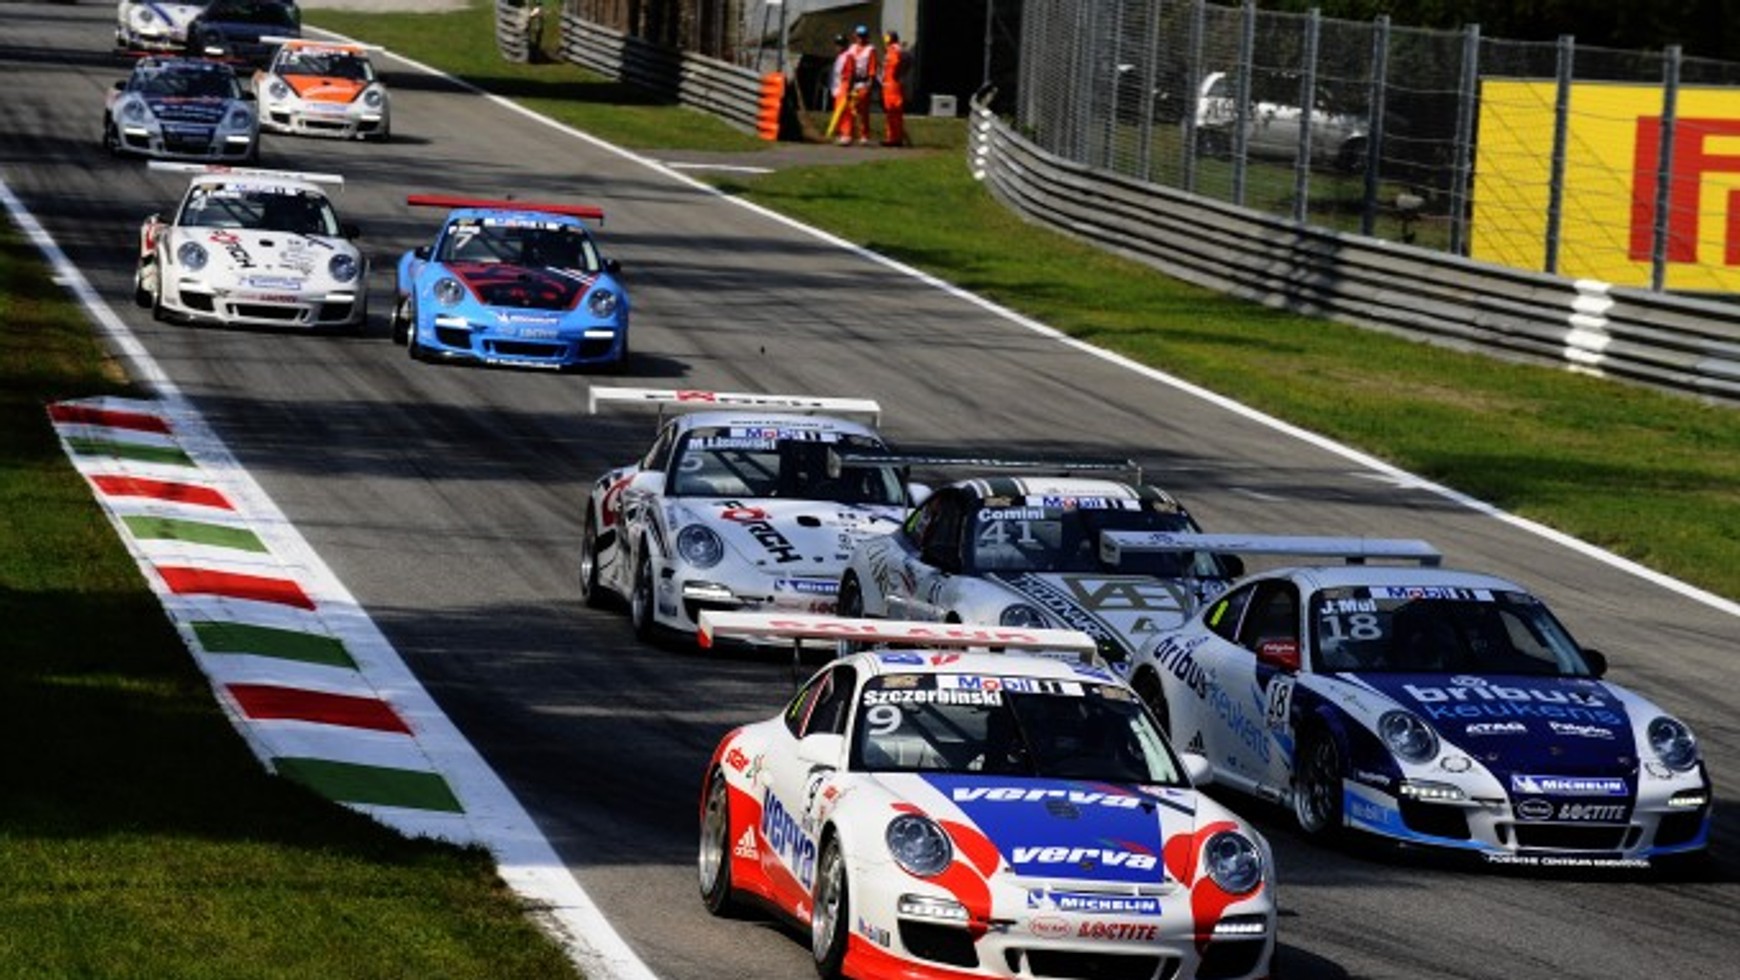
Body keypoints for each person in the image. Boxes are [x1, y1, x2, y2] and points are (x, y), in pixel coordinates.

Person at [837, 24, 878, 146]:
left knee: (862, 111)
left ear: (867, 36)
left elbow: (872, 68)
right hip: (852, 82)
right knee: (849, 109)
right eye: (859, 36)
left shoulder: (870, 50)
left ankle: (864, 136)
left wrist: (870, 83)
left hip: (863, 83)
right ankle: (847, 135)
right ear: (855, 36)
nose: (861, 38)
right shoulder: (852, 48)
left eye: (863, 36)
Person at [880, 30, 908, 146]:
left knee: (893, 111)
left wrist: (896, 75)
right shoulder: (897, 49)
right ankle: (895, 137)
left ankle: (893, 138)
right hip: (891, 84)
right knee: (893, 112)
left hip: (892, 84)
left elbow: (896, 63)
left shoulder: (894, 49)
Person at [826, 33, 853, 142]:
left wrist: (848, 88)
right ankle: (841, 132)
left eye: (841, 44)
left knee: (845, 111)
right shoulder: (839, 57)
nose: (838, 46)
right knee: (839, 111)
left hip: (844, 85)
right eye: (837, 44)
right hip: (838, 86)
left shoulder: (848, 56)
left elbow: (850, 73)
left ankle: (846, 134)